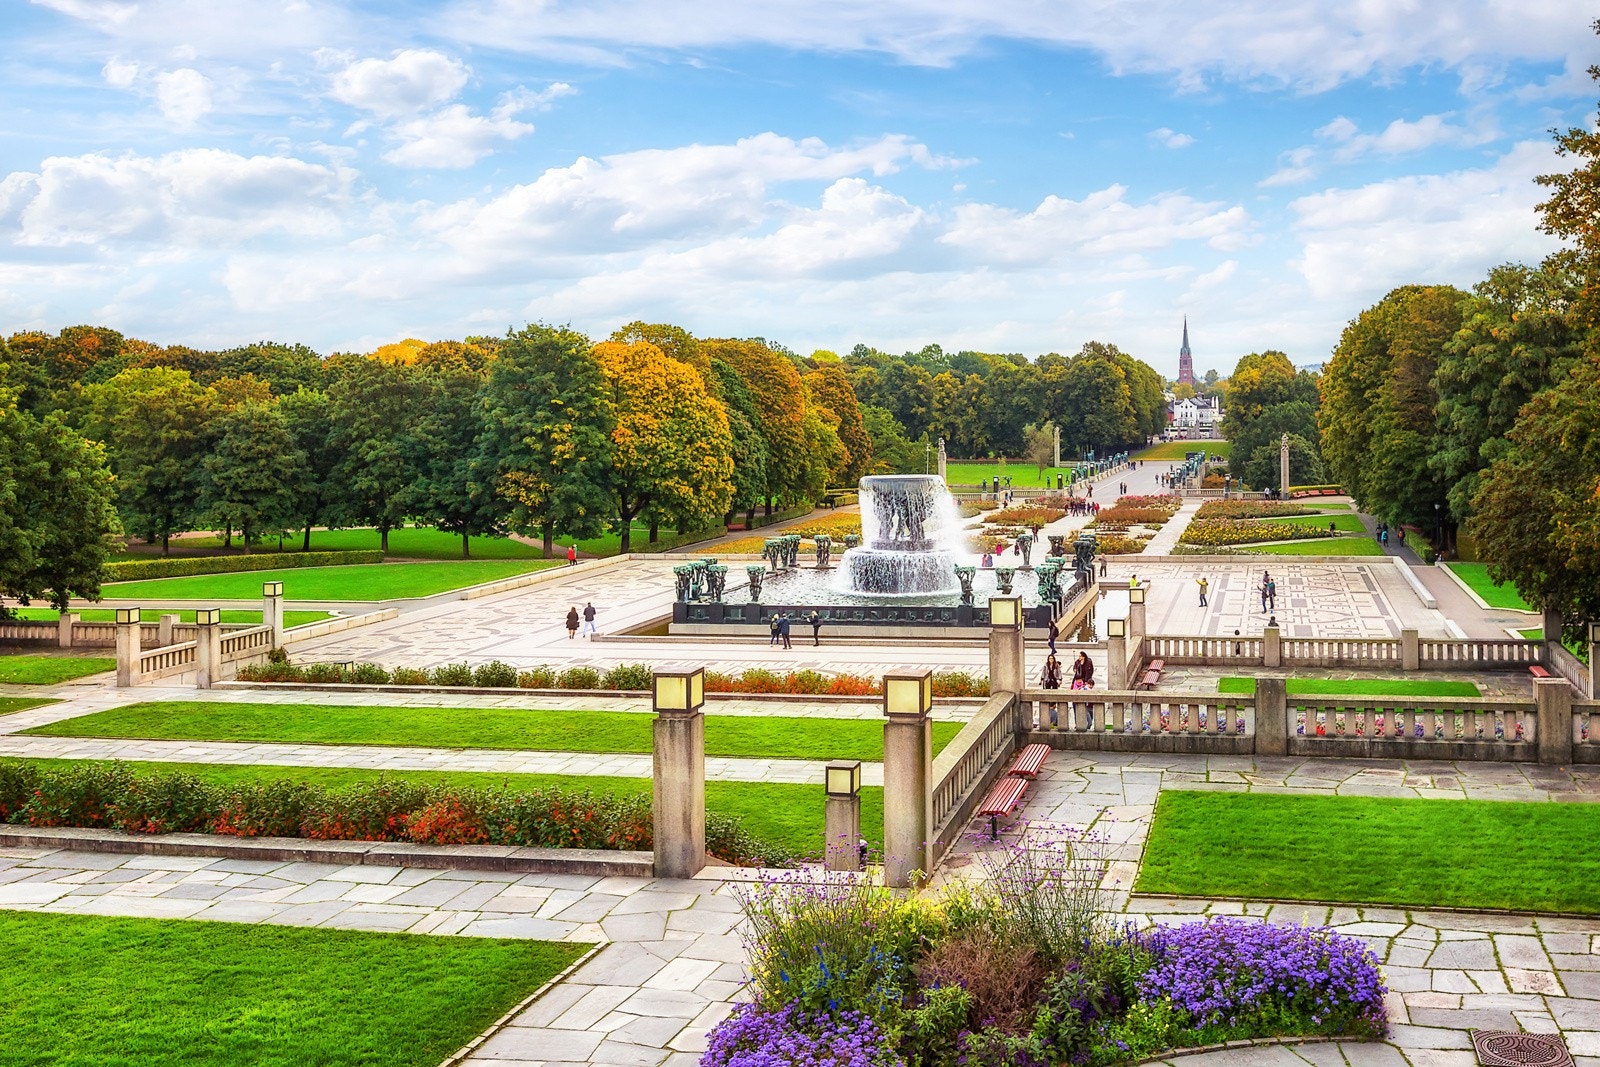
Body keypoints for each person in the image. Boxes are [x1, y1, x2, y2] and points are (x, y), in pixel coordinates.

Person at [1040, 653, 1063, 727]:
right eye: (1050, 658)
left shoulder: (1056, 665)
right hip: (1048, 679)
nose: (1051, 660)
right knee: (1047, 690)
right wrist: (1042, 679)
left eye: (1052, 658)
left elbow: (1059, 673)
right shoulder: (1046, 665)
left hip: (1054, 679)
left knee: (1054, 691)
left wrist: (1060, 679)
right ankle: (1049, 703)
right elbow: (1043, 672)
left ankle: (1053, 704)